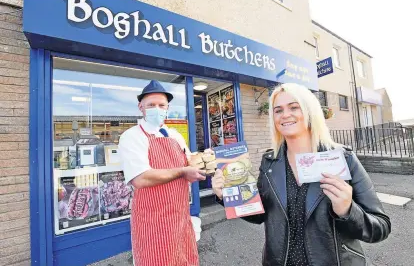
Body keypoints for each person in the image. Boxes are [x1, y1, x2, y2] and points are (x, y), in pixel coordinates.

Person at [212, 83, 391, 266]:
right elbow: (259, 215)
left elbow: (380, 227)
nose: (285, 115)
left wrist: (347, 210)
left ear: (309, 111)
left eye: (294, 107)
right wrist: (226, 194)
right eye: (278, 110)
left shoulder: (343, 158)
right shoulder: (270, 162)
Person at [118, 80, 205, 266]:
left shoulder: (174, 134)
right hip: (152, 223)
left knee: (185, 260)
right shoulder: (132, 136)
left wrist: (207, 158)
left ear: (167, 108)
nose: (157, 109)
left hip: (180, 216)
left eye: (161, 105)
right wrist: (183, 171)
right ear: (141, 107)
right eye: (151, 105)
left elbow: (190, 161)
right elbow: (140, 178)